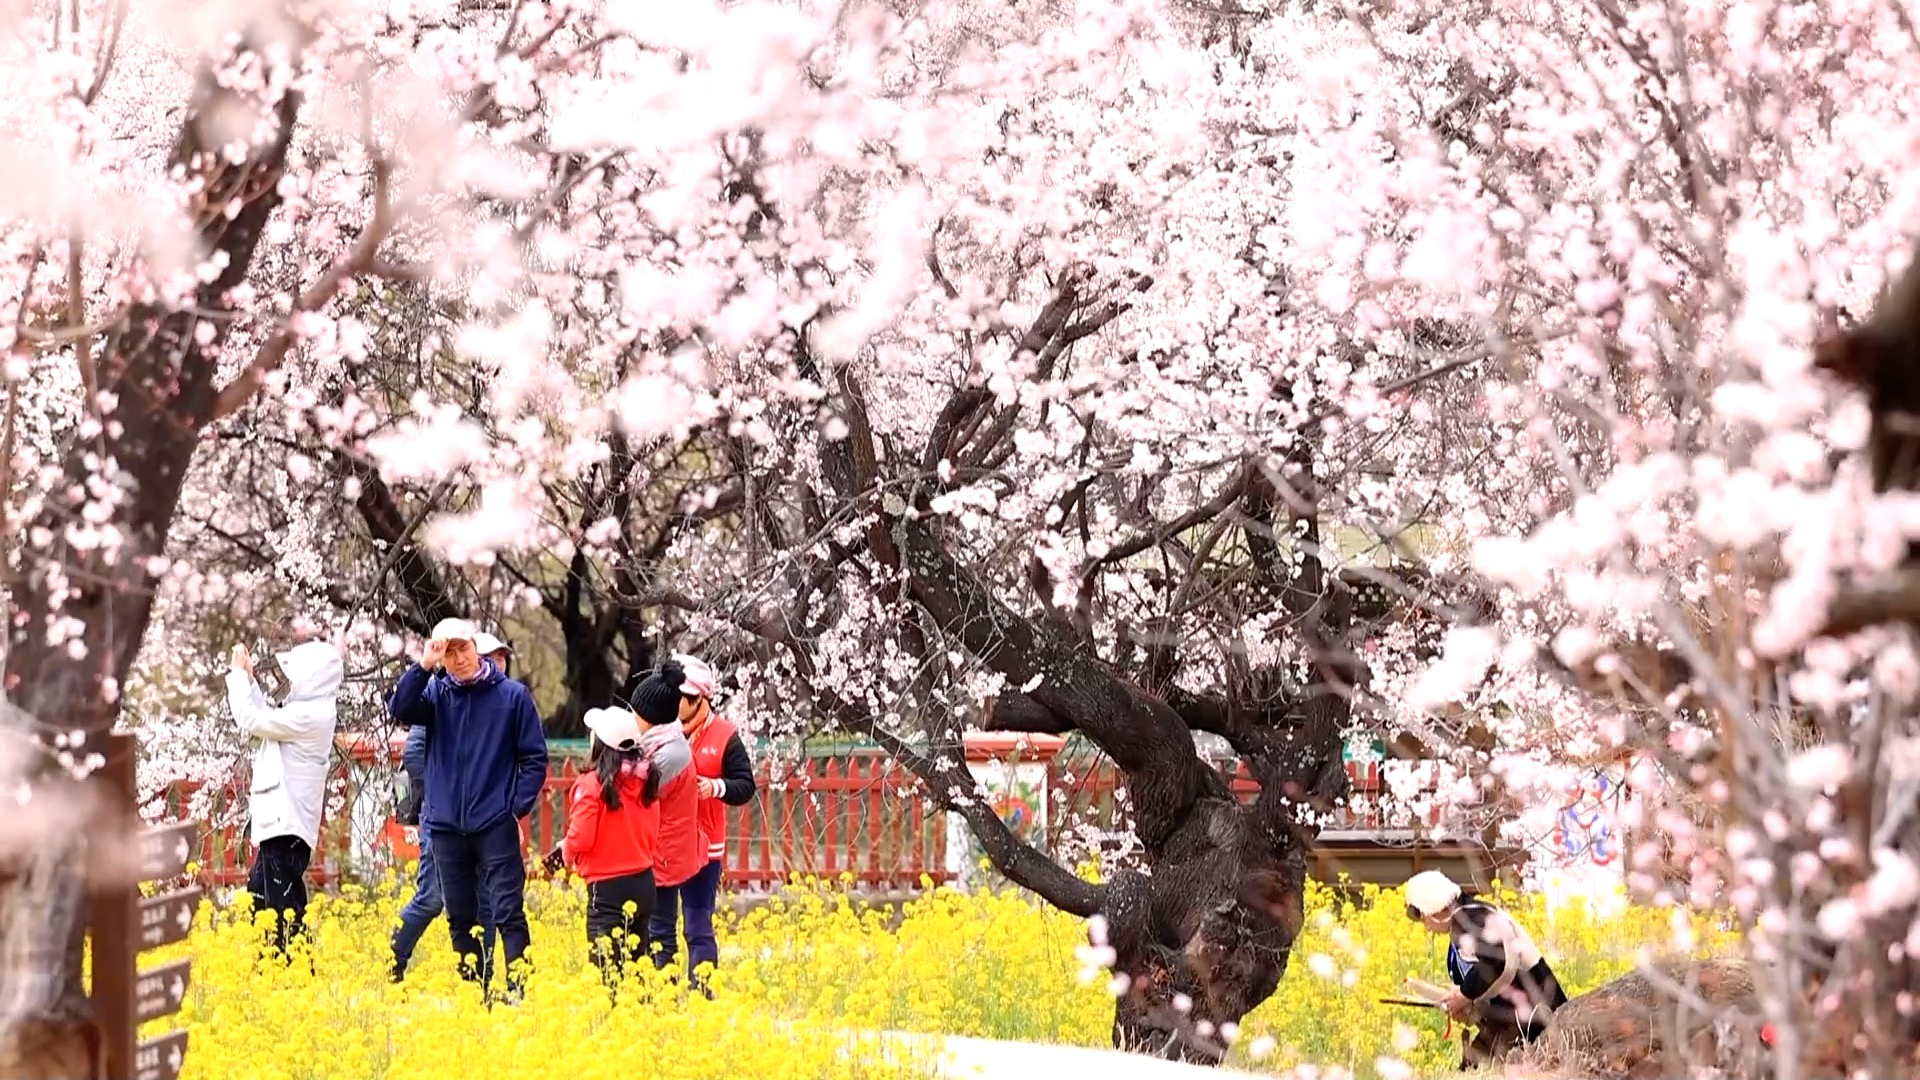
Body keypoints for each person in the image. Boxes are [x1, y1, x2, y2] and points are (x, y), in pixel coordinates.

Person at [387, 618, 548, 999]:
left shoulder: (512, 696)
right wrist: (425, 664)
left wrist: (514, 808)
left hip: (495, 824)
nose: (459, 659)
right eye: (450, 653)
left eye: (464, 649)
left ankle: (519, 992)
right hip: (446, 828)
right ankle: (474, 995)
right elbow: (401, 708)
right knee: (460, 918)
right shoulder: (436, 695)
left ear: (476, 647)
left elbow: (534, 758)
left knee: (508, 912)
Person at [543, 704, 693, 985]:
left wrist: (566, 852)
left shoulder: (591, 784)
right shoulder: (647, 781)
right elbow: (652, 829)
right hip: (644, 882)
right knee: (636, 969)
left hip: (607, 887)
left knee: (606, 972)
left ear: (599, 744)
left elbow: (582, 836)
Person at [227, 637, 344, 955]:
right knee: (260, 901)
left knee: (283, 909)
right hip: (280, 823)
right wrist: (250, 681)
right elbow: (265, 717)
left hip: (286, 825)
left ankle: (295, 973)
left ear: (313, 678)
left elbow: (252, 720)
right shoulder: (306, 710)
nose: (291, 681)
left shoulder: (311, 714)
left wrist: (237, 676)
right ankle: (269, 970)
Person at [647, 653, 756, 983]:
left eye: (681, 697)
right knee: (659, 928)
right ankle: (662, 995)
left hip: (704, 849)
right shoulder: (659, 730)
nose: (674, 703)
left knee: (697, 927)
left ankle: (703, 995)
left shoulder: (725, 735)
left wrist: (716, 787)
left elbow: (745, 785)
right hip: (664, 845)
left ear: (699, 699)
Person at [1403, 869, 1569, 1068]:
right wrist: (1466, 1004)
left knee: (1475, 1069)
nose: (1425, 926)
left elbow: (1497, 961)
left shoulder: (1474, 918)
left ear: (1436, 909)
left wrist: (1463, 996)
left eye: (1423, 917)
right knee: (1471, 1068)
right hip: (1513, 1016)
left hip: (1534, 1014)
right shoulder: (1465, 919)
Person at [619, 661, 708, 978]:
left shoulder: (669, 754)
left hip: (664, 855)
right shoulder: (661, 743)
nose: (631, 717)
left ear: (651, 718)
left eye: (636, 712)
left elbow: (636, 794)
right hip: (659, 850)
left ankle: (665, 991)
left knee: (660, 932)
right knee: (650, 930)